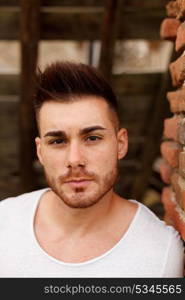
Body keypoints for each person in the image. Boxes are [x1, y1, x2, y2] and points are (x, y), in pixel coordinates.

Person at [0, 61, 184, 278]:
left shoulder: (162, 253)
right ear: (40, 152)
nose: (75, 159)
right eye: (58, 141)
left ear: (121, 144)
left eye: (92, 138)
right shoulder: (5, 225)